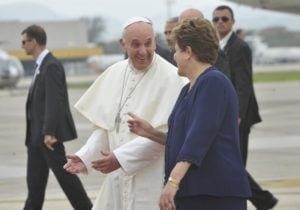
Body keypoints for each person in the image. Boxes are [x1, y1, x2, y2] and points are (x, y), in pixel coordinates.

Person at [128, 18, 251, 210]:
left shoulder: (213, 82)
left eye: (176, 50)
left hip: (213, 194)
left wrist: (173, 182)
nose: (174, 55)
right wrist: (151, 133)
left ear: (188, 52)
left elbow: (199, 137)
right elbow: (185, 138)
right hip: (194, 192)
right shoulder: (188, 89)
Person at [63, 17, 185, 210]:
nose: (143, 51)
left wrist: (120, 158)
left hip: (151, 178)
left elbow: (165, 137)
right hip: (117, 179)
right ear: (123, 44)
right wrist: (85, 156)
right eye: (135, 45)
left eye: (148, 43)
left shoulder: (173, 78)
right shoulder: (114, 73)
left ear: (155, 41)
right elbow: (107, 128)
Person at [212, 5, 278, 210]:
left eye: (224, 18)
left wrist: (237, 113)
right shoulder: (213, 46)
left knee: (234, 165)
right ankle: (263, 200)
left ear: (232, 22)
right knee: (231, 165)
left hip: (238, 117)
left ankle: (261, 200)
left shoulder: (239, 47)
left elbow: (243, 84)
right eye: (216, 19)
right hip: (222, 115)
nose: (220, 22)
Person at [21, 25, 92, 210]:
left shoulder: (51, 66)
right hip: (36, 139)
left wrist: (49, 132)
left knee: (67, 179)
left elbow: (54, 100)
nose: (22, 46)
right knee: (35, 187)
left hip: (47, 138)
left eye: (24, 42)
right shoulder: (41, 66)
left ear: (34, 42)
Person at [178, 8, 231, 79]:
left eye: (193, 25)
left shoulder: (215, 54)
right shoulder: (174, 53)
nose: (188, 29)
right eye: (184, 25)